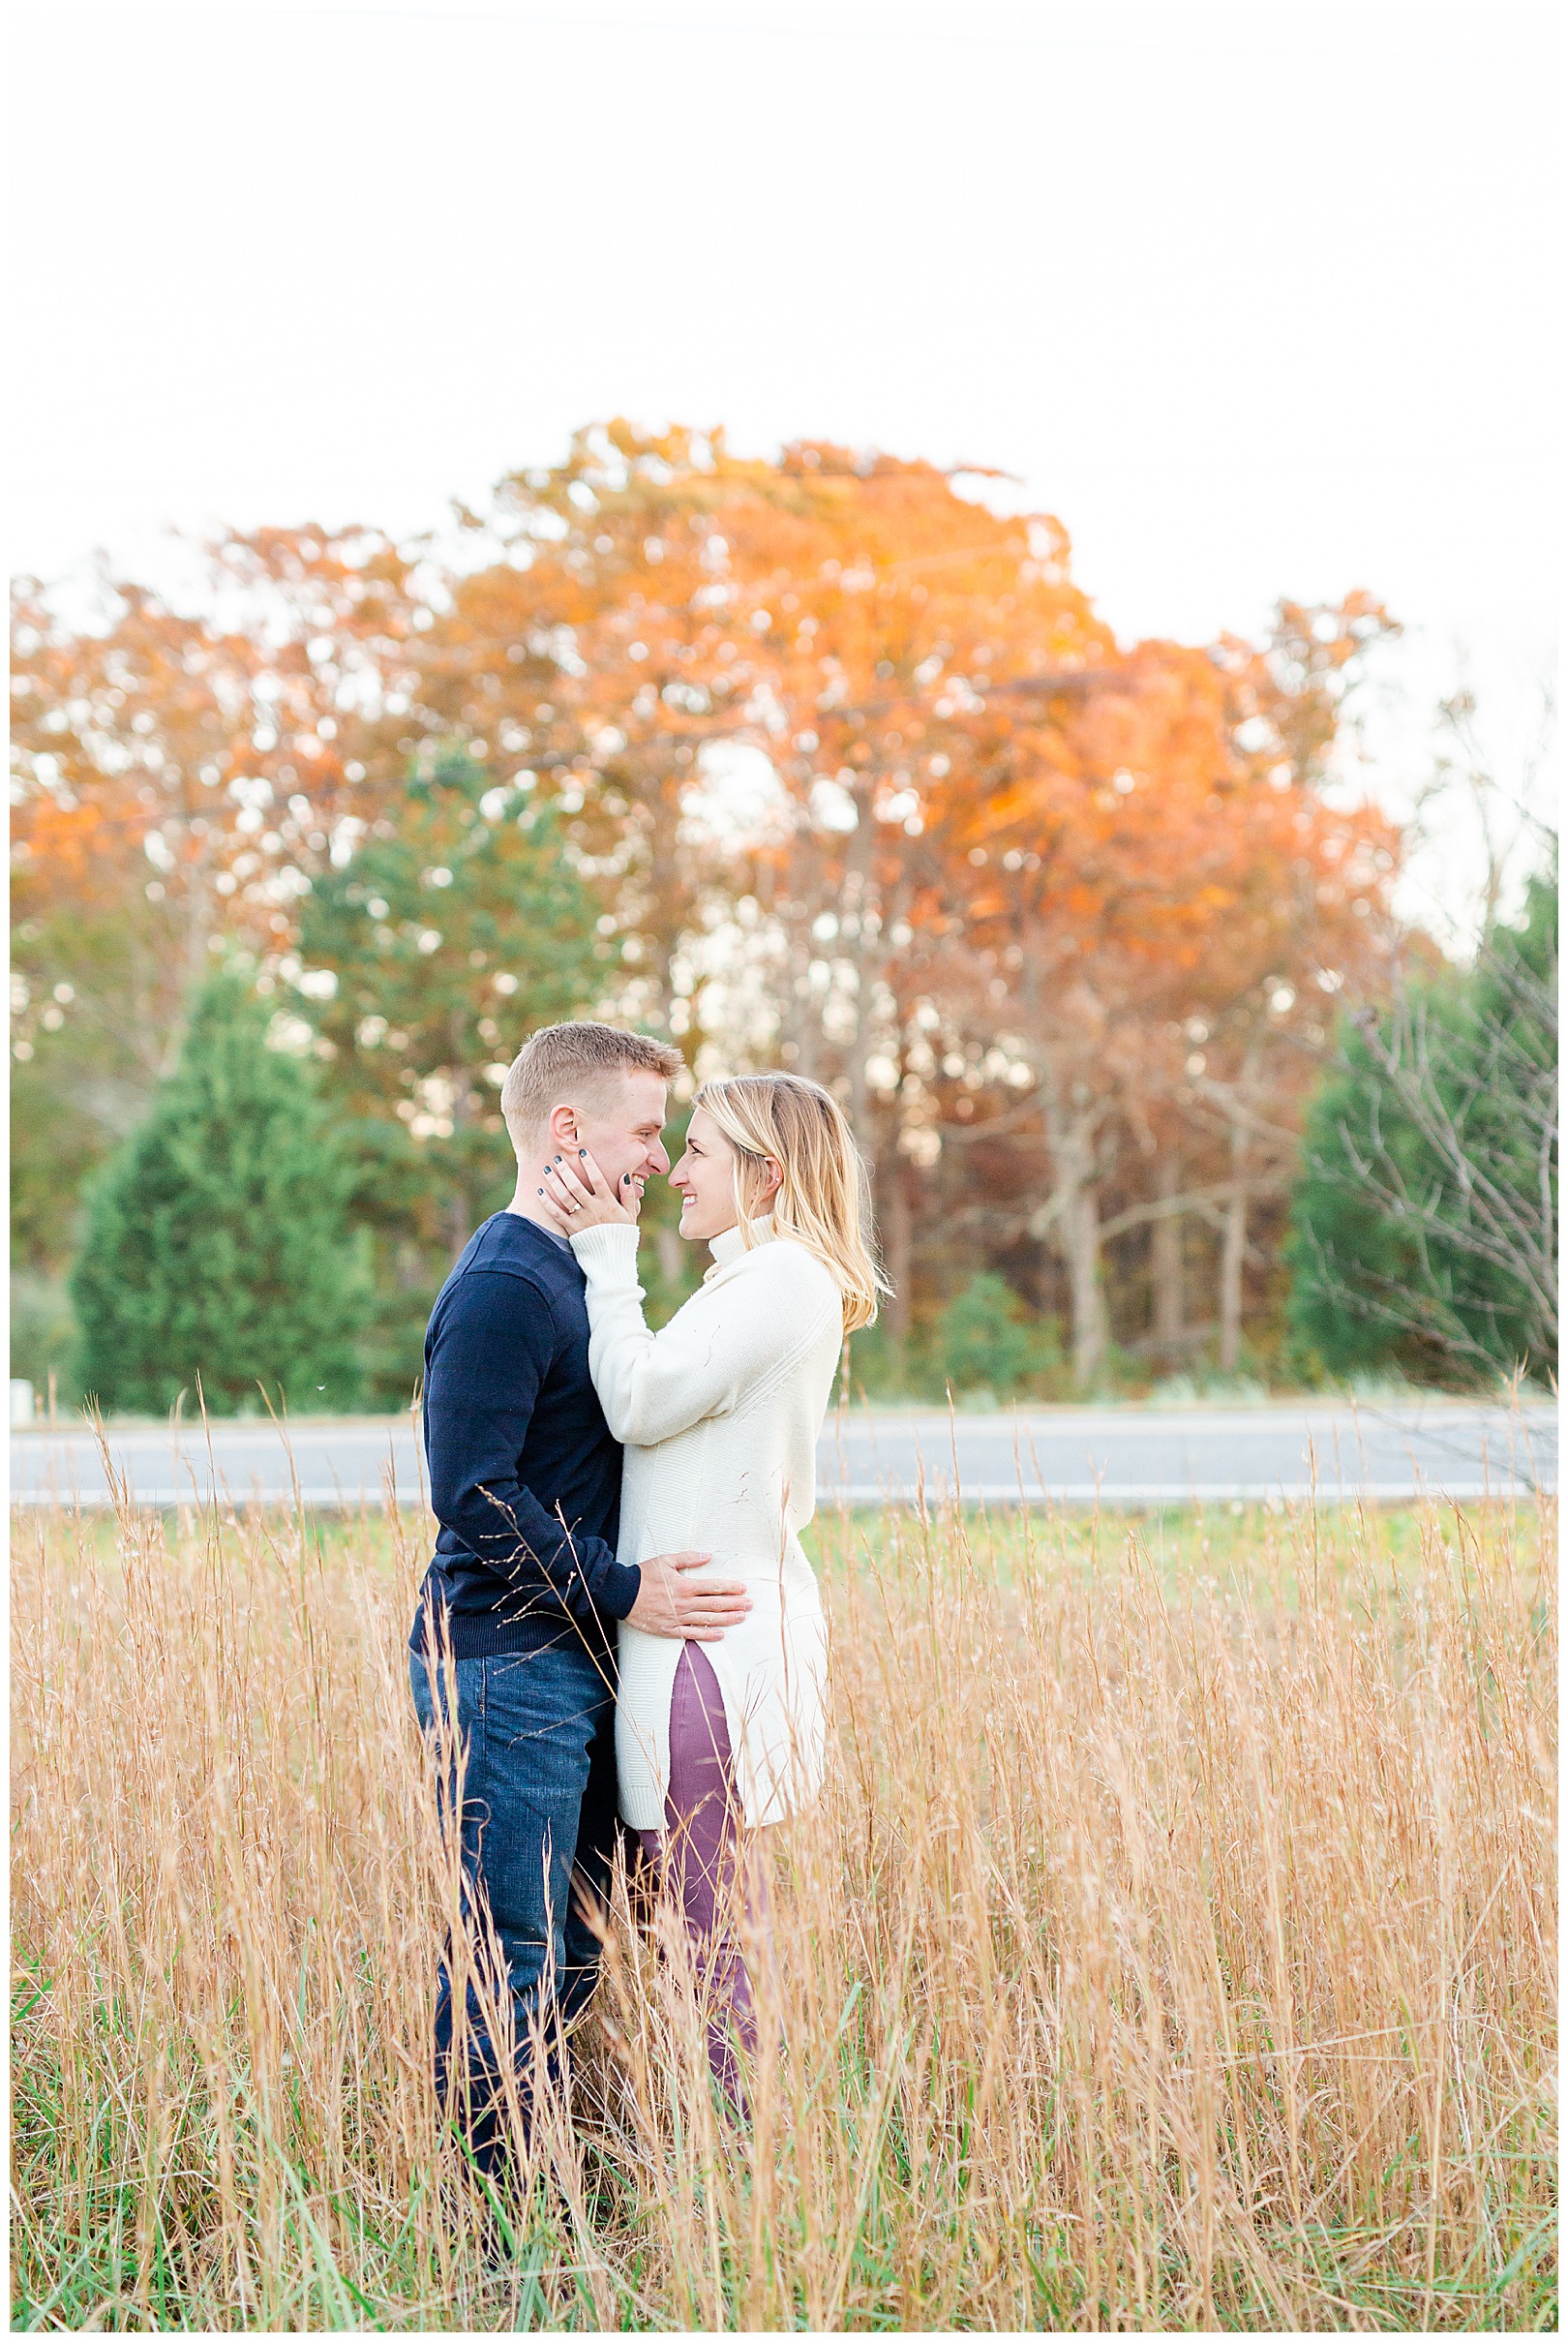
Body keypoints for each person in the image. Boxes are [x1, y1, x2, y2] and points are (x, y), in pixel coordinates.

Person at [407, 1020, 756, 2179]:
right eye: (647, 1130)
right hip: (504, 1666)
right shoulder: (509, 1280)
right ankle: (497, 2238)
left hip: (568, 1665)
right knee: (513, 1961)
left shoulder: (578, 1271)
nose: (660, 1157)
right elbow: (473, 1495)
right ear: (568, 1130)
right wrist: (623, 1588)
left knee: (567, 1960)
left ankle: (552, 2196)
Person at [536, 1072, 886, 2108]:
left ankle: (740, 2184)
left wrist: (606, 1254)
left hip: (706, 1657)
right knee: (693, 1928)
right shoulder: (750, 1278)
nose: (675, 1171)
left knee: (712, 1936)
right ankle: (722, 2167)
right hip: (694, 1647)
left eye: (701, 1152)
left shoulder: (783, 1281)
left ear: (766, 1175)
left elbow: (640, 1398)